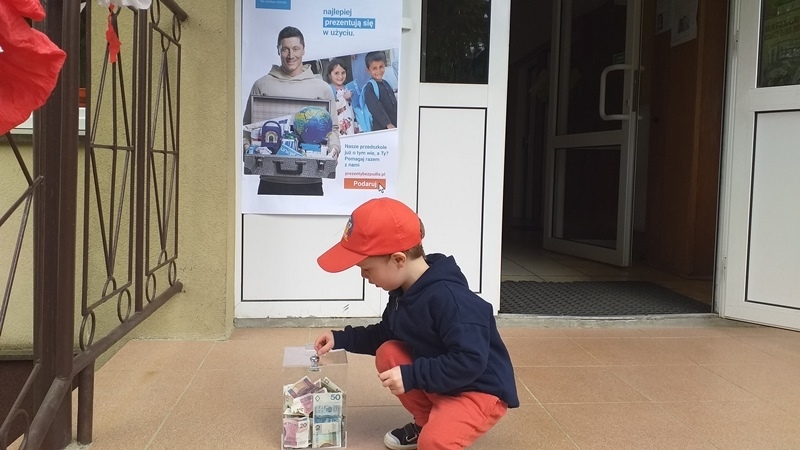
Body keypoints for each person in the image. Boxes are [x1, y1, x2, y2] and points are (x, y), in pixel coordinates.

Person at [314, 198, 519, 450]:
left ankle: (437, 429)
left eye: (367, 269)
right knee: (388, 350)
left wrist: (412, 375)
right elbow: (385, 333)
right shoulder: (403, 292)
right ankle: (425, 422)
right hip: (442, 377)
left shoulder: (452, 300)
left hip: (477, 388)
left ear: (399, 259)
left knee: (435, 442)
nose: (363, 276)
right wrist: (341, 338)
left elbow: (470, 360)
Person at [243, 26, 340, 196]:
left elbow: (333, 130)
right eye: (285, 49)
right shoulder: (262, 85)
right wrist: (247, 149)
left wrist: (334, 149)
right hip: (270, 181)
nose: (290, 55)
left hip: (311, 180)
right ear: (278, 50)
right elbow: (247, 127)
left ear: (303, 49)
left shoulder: (322, 88)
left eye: (295, 49)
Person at [363, 51, 398, 131]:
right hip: (381, 128)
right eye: (374, 68)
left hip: (394, 125)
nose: (378, 71)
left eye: (381, 66)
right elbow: (375, 108)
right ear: (368, 70)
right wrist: (388, 124)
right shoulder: (370, 87)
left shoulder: (386, 83)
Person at [326, 58, 358, 136]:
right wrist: (343, 98)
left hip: (350, 126)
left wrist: (356, 126)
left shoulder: (347, 88)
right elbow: (329, 107)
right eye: (336, 73)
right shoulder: (329, 90)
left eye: (343, 73)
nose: (340, 76)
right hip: (338, 128)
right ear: (330, 75)